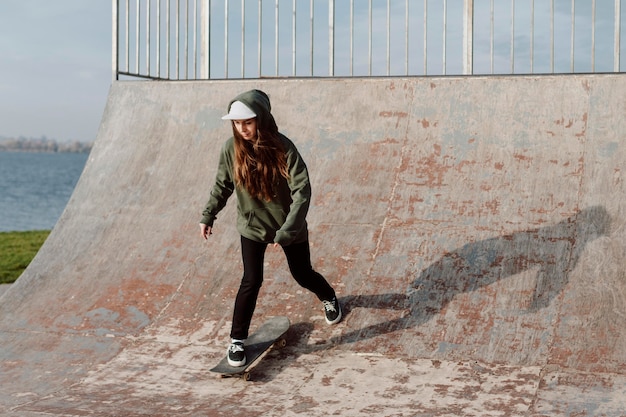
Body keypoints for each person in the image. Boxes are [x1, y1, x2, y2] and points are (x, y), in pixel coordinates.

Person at [199, 89, 341, 367]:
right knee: (251, 280)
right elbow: (223, 185)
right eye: (237, 124)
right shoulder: (231, 149)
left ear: (261, 119)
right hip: (251, 226)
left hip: (288, 225)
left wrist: (288, 229)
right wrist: (208, 215)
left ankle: (329, 296)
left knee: (302, 273)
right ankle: (237, 341)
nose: (242, 129)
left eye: (248, 122)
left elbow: (302, 189)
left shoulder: (283, 147)